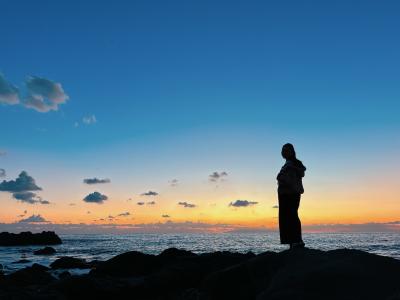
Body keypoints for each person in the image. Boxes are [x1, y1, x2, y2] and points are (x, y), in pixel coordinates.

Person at [276, 143, 306, 249]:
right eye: (283, 150)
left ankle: (297, 241)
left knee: (291, 216)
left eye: (286, 150)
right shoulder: (288, 164)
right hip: (285, 194)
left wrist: (282, 178)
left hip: (291, 193)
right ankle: (292, 242)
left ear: (292, 151)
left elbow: (294, 176)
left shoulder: (293, 164)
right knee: (287, 217)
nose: (284, 152)